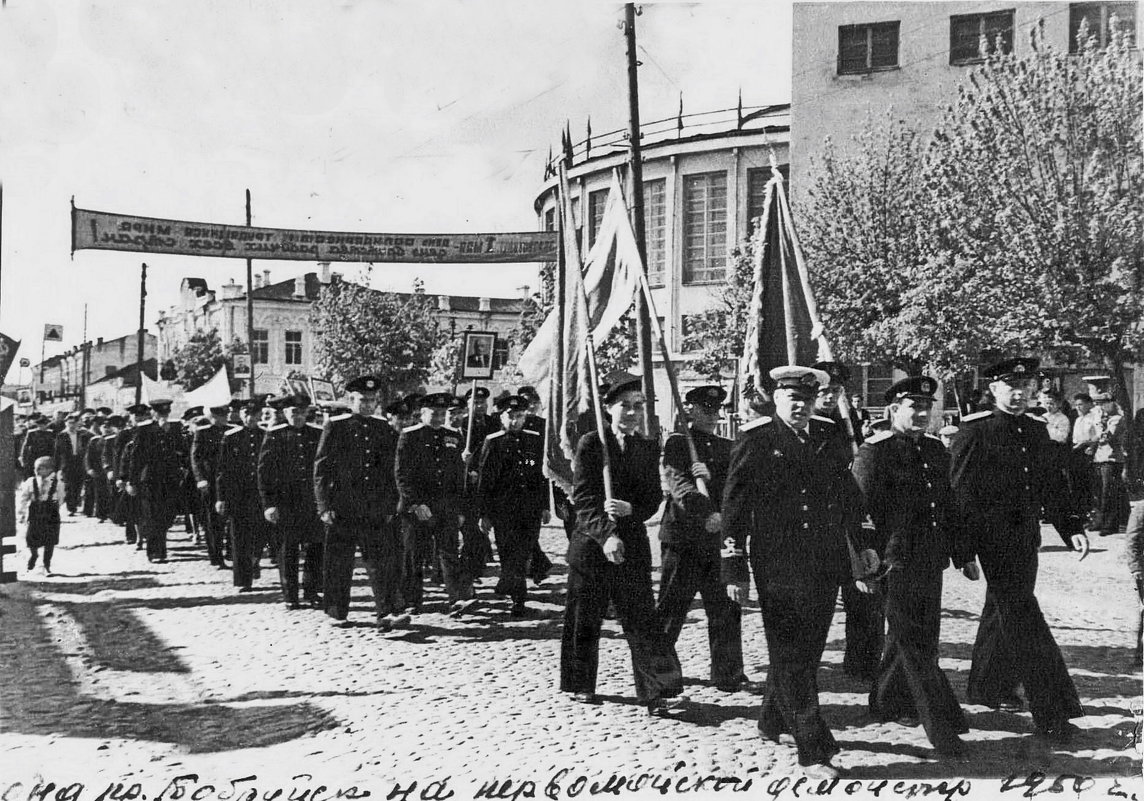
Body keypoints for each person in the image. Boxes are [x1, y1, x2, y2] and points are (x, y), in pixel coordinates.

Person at [722, 365, 872, 778]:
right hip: (777, 564)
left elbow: (848, 493)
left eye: (807, 399)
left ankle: (773, 719)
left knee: (807, 650)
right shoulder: (756, 440)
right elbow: (734, 509)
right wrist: (734, 567)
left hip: (825, 562)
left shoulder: (828, 435)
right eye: (793, 399)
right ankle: (814, 749)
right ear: (776, 399)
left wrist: (864, 541)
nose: (801, 406)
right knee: (791, 654)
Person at [951, 357, 1087, 742]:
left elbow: (1051, 486)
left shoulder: (1036, 430)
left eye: (1025, 387)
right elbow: (959, 494)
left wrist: (1071, 528)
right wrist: (963, 550)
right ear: (994, 389)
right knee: (1024, 614)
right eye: (1010, 387)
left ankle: (986, 687)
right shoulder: (975, 431)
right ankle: (1053, 707)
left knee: (1003, 607)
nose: (1018, 394)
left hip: (1026, 538)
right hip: (992, 540)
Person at [852, 376, 975, 758]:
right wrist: (865, 558)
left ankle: (888, 701)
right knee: (915, 642)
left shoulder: (937, 451)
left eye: (927, 408)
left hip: (930, 558)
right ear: (893, 410)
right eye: (913, 407)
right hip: (895, 560)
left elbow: (948, 507)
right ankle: (941, 724)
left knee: (916, 636)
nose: (921, 414)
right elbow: (860, 511)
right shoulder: (875, 451)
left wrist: (963, 554)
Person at [559, 370, 685, 715]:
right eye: (625, 406)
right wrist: (606, 535)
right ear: (609, 408)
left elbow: (651, 499)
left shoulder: (647, 446)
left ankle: (655, 690)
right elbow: (583, 499)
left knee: (642, 619)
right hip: (592, 546)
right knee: (586, 618)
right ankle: (579, 682)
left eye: (638, 406)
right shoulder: (591, 444)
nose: (632, 413)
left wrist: (632, 510)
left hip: (631, 545)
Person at [656, 385, 752, 693]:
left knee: (725, 608)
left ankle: (728, 672)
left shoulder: (727, 445)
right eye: (705, 411)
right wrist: (705, 513)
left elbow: (736, 485)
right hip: (683, 539)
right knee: (672, 610)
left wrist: (710, 476)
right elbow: (678, 484)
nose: (712, 416)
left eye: (715, 411)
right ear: (691, 411)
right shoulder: (677, 444)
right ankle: (661, 676)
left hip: (718, 540)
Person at [315, 376, 405, 629]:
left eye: (373, 401)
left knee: (380, 563)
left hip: (373, 509)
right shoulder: (336, 425)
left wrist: (390, 505)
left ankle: (386, 612)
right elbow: (322, 469)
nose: (368, 405)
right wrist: (324, 506)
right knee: (338, 562)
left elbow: (391, 471)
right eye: (363, 400)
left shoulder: (383, 428)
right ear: (351, 400)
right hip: (342, 507)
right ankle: (336, 612)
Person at [812, 360, 881, 683]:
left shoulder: (846, 418)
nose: (829, 396)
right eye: (824, 390)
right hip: (817, 522)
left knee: (864, 589)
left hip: (850, 515)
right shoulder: (805, 425)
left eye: (835, 390)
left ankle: (862, 662)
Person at [396, 392, 474, 617]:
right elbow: (402, 474)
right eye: (434, 413)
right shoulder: (410, 436)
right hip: (417, 508)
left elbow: (457, 475)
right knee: (414, 556)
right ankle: (411, 601)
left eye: (442, 413)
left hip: (445, 506)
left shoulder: (454, 436)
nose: (439, 417)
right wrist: (414, 504)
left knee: (449, 553)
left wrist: (459, 508)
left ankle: (457, 599)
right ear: (422, 413)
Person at [476, 394, 548, 616]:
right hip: (503, 511)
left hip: (530, 510)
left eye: (519, 416)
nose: (515, 421)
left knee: (523, 552)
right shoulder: (493, 441)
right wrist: (484, 513)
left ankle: (516, 594)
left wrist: (545, 506)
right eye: (510, 416)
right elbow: (484, 482)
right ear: (501, 417)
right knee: (509, 554)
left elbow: (541, 476)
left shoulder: (534, 440)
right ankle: (518, 597)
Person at [259, 392, 325, 610]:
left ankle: (312, 590)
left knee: (316, 547)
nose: (297, 416)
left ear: (308, 412)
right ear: (285, 412)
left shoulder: (317, 433)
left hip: (312, 502)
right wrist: (269, 504)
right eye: (293, 412)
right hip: (285, 504)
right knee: (288, 550)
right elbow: (264, 471)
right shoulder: (275, 435)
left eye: (302, 412)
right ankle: (290, 595)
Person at [217, 398, 270, 592]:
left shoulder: (266, 436)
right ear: (242, 415)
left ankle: (255, 559)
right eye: (247, 415)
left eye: (254, 415)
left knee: (260, 534)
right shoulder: (231, 437)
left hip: (259, 494)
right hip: (237, 495)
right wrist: (221, 497)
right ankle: (243, 580)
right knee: (239, 538)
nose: (250, 419)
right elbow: (222, 470)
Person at [125, 400, 183, 563]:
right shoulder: (144, 430)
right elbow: (136, 458)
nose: (163, 417)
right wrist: (132, 481)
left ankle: (161, 549)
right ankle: (154, 552)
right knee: (151, 515)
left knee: (165, 515)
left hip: (169, 479)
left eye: (166, 413)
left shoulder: (174, 429)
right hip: (150, 479)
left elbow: (180, 451)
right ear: (154, 414)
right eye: (160, 414)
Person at [192, 404, 235, 569]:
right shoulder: (202, 432)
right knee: (213, 521)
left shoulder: (233, 431)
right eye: (218, 415)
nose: (222, 418)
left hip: (230, 481)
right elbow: (196, 458)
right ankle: (216, 557)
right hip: (210, 482)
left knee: (232, 520)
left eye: (224, 415)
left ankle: (232, 554)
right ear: (211, 416)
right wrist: (200, 479)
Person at [1078, 392, 1127, 537]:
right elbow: (1096, 437)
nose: (1102, 406)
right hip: (1099, 459)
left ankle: (1110, 524)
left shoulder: (1116, 419)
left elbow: (1107, 437)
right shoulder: (1103, 419)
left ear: (1112, 403)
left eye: (1105, 403)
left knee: (1109, 493)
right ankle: (1100, 521)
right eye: (1099, 403)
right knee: (1098, 493)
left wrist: (1099, 425)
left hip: (1111, 459)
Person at [20, 456, 62, 576]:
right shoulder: (31, 482)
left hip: (51, 513)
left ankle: (46, 564)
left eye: (40, 468)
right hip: (35, 512)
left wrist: (54, 507)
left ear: (49, 470)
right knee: (31, 538)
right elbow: (23, 498)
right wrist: (21, 513)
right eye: (35, 468)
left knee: (50, 540)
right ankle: (34, 554)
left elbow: (60, 497)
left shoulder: (57, 483)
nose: (37, 471)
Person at [19, 415, 55, 481]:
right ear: (38, 425)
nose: (43, 426)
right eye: (41, 425)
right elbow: (25, 446)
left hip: (46, 457)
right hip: (34, 457)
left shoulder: (50, 433)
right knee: (33, 476)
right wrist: (23, 458)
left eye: (44, 424)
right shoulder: (31, 433)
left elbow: (53, 447)